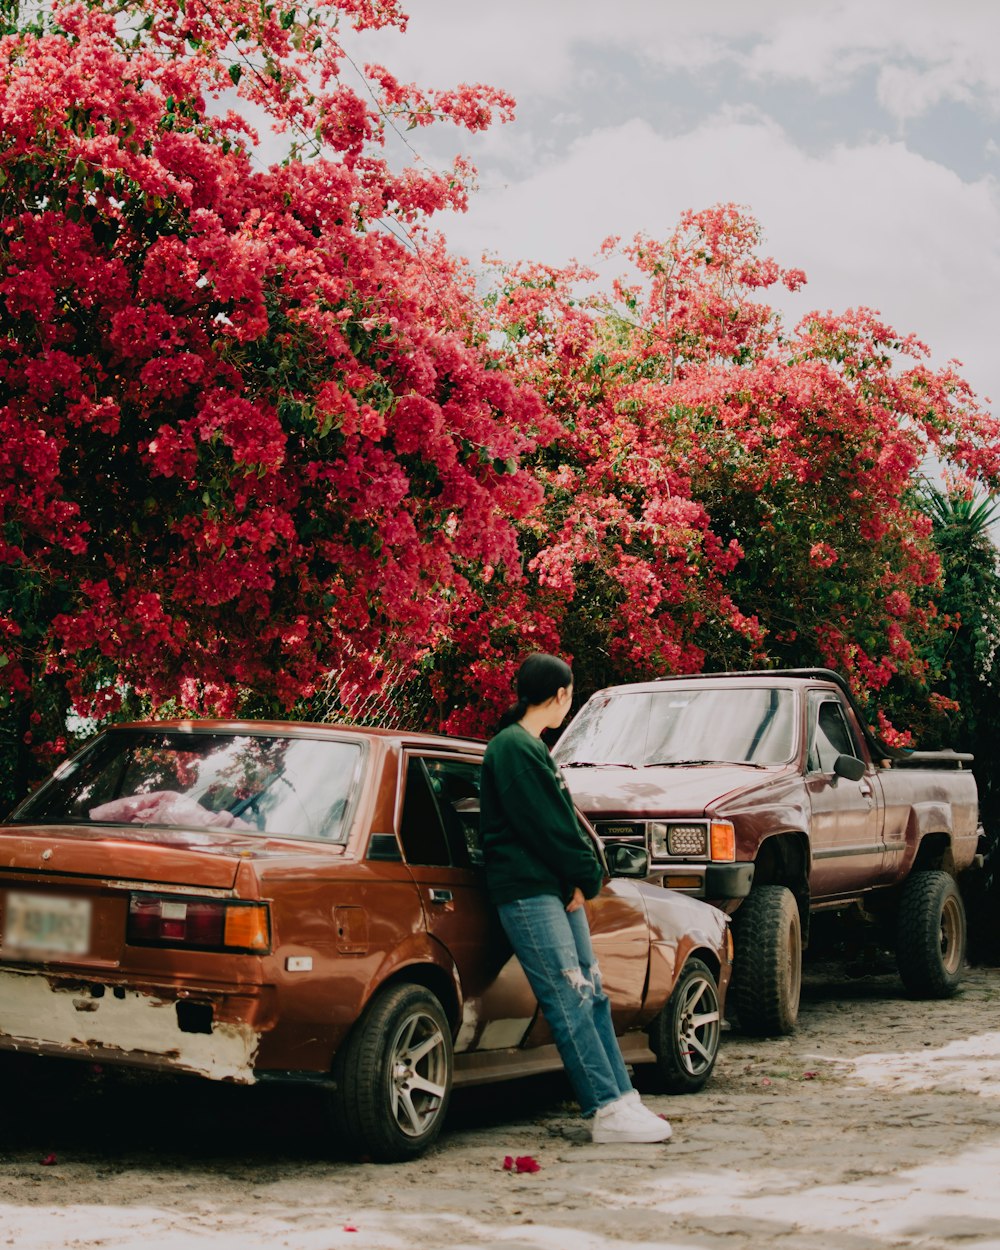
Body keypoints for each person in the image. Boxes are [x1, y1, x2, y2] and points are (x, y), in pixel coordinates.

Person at [480, 653, 672, 1145]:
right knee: (569, 996)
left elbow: (551, 826)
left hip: (553, 888)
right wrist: (585, 874)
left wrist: (575, 882)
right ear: (560, 694)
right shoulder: (512, 749)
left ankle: (622, 1097)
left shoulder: (529, 747)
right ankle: (606, 1108)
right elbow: (547, 825)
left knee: (593, 993)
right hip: (527, 893)